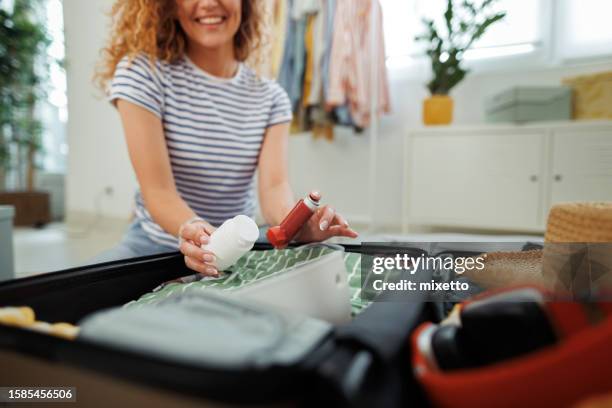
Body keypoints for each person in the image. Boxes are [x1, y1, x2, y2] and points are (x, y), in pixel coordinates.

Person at [93, 0, 358, 276]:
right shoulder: (142, 75)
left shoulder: (271, 97)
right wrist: (196, 231)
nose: (208, 3)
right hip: (153, 247)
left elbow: (274, 188)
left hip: (238, 248)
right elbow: (158, 192)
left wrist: (296, 224)